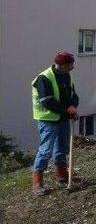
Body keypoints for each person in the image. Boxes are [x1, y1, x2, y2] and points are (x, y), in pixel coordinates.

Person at [31, 51, 79, 196]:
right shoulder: (44, 78)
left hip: (63, 118)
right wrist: (67, 110)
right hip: (48, 119)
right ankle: (37, 181)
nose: (72, 67)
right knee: (46, 150)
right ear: (63, 65)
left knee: (62, 147)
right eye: (70, 64)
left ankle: (61, 174)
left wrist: (73, 107)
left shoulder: (67, 75)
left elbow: (73, 95)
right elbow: (48, 101)